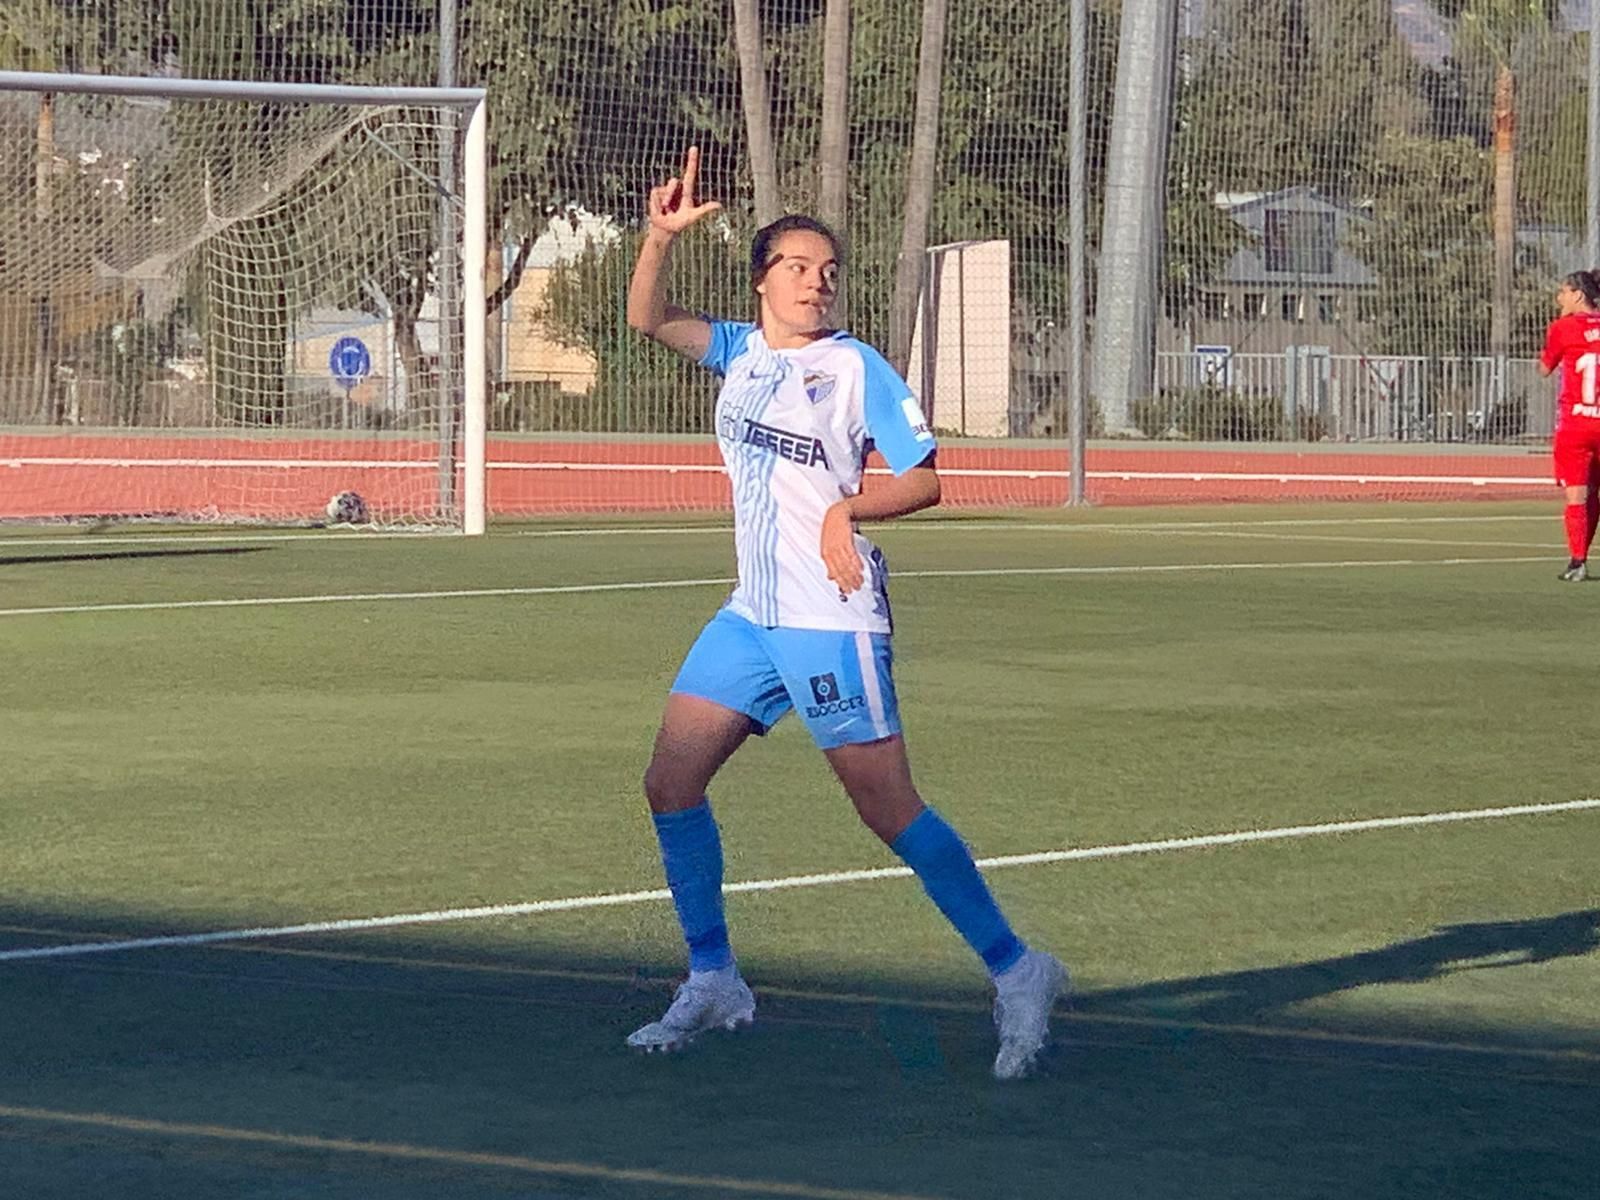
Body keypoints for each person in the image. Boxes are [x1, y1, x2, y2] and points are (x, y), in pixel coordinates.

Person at [622, 147, 1068, 1081]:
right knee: (671, 781)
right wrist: (658, 237)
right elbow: (647, 318)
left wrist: (845, 510)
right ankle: (714, 978)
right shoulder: (739, 353)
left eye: (827, 270)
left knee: (886, 808)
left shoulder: (856, 366)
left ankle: (1017, 969)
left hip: (831, 616)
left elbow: (925, 480)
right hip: (753, 615)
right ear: (762, 280)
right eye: (797, 266)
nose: (816, 282)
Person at [1538, 270, 1600, 581]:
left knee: (1577, 497)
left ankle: (1578, 562)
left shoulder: (1563, 328)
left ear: (1578, 294)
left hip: (1575, 426)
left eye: (1563, 292)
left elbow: (1544, 369)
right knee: (1593, 494)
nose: (1559, 298)